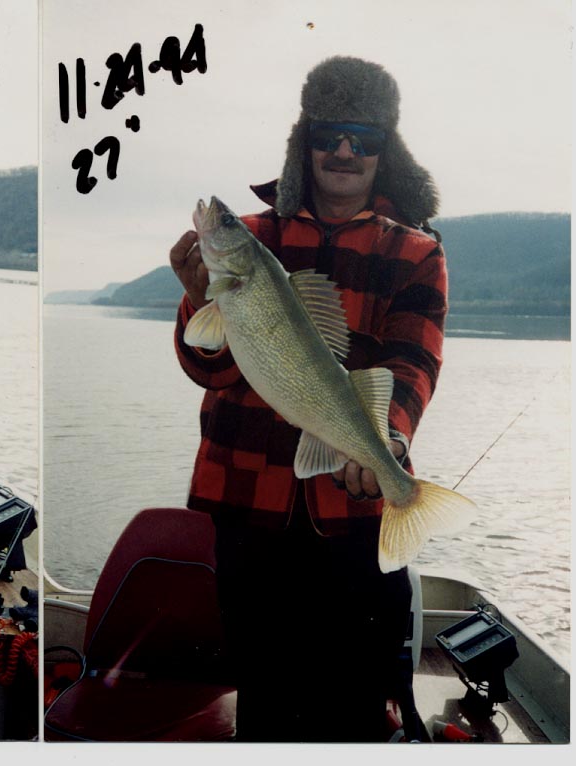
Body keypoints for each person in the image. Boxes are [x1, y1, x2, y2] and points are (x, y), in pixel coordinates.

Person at [169, 57, 447, 742]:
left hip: (354, 518)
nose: (345, 151)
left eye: (364, 137)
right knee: (263, 702)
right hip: (249, 514)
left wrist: (391, 441)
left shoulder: (416, 252)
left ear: (386, 149)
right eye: (329, 135)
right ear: (305, 142)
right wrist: (198, 299)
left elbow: (413, 362)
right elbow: (207, 368)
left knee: (355, 708)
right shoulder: (251, 239)